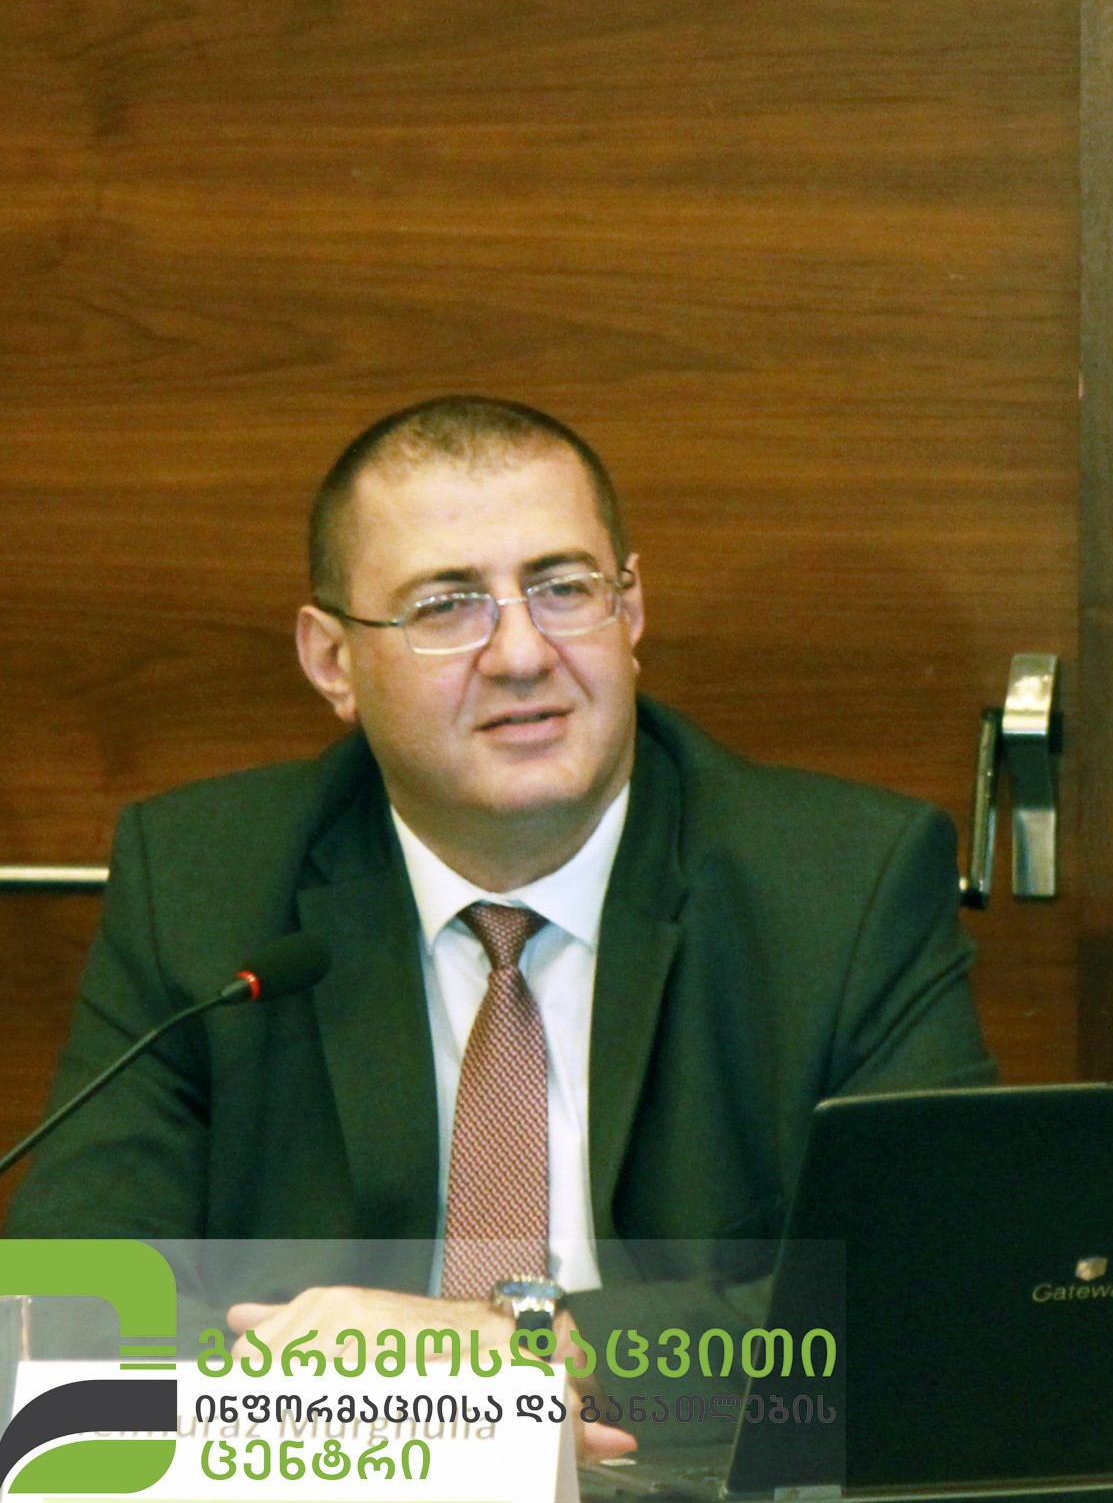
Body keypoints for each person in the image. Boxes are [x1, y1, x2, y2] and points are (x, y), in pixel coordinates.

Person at [6, 397, 996, 1446]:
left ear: (631, 611)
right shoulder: (202, 885)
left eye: (564, 588)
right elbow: (72, 1310)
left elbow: (931, 1298)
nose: (522, 653)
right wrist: (382, 1415)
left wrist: (512, 1354)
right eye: (446, 606)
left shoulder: (843, 885)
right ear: (333, 661)